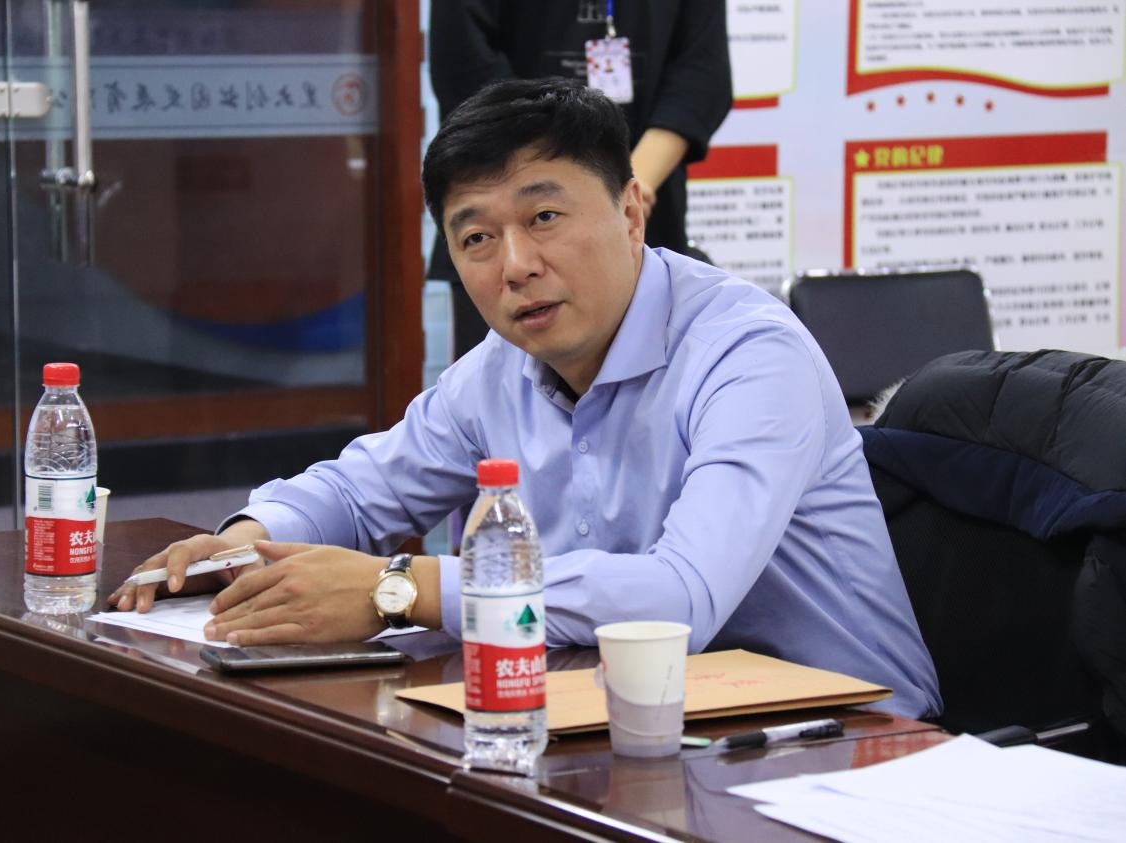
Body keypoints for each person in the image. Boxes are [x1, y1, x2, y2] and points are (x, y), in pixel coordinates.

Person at [110, 78, 941, 719]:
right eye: (476, 237)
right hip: (627, 719)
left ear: (630, 212)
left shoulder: (747, 354)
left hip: (840, 740)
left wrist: (396, 587)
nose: (514, 265)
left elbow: (678, 596)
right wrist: (246, 543)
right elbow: (359, 491)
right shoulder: (500, 366)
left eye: (543, 217)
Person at [427, 0, 733, 358]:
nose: (521, 265)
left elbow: (701, 74)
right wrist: (544, 201)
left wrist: (623, 186)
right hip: (499, 201)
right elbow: (463, 63)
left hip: (643, 211)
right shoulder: (511, 261)